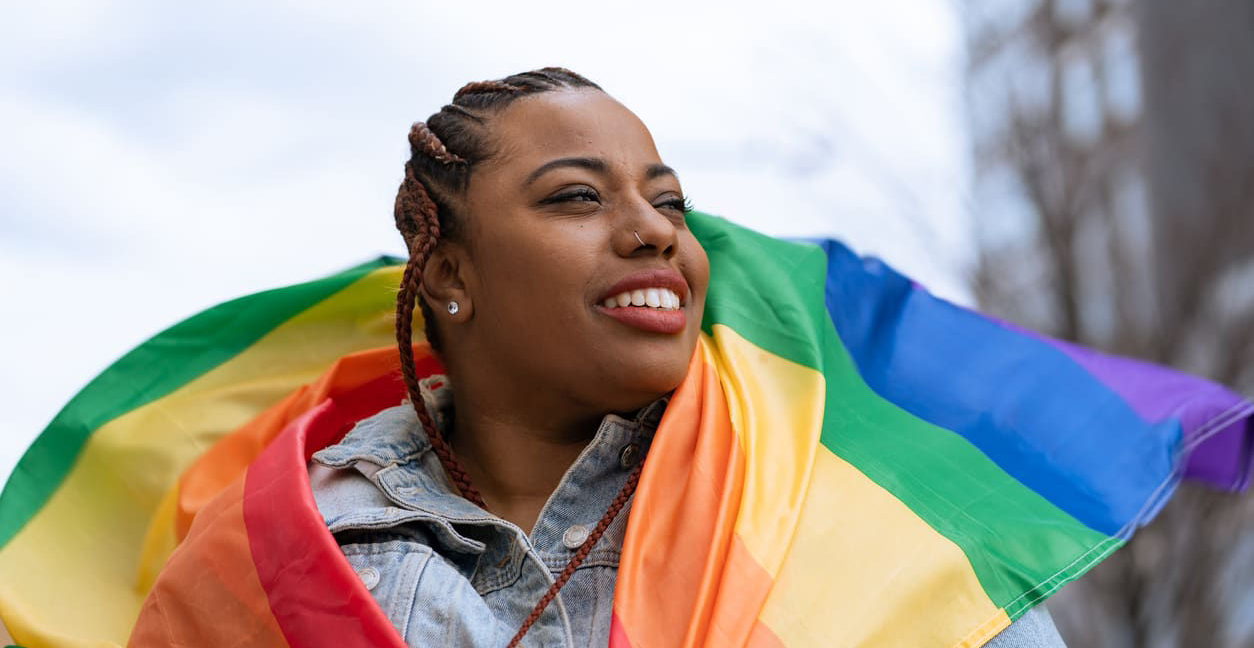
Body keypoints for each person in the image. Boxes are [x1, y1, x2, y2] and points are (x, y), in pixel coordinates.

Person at [305, 68, 1068, 647]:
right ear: (450, 275)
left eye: (669, 202)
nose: (655, 231)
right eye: (576, 196)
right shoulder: (303, 536)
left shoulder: (854, 514)